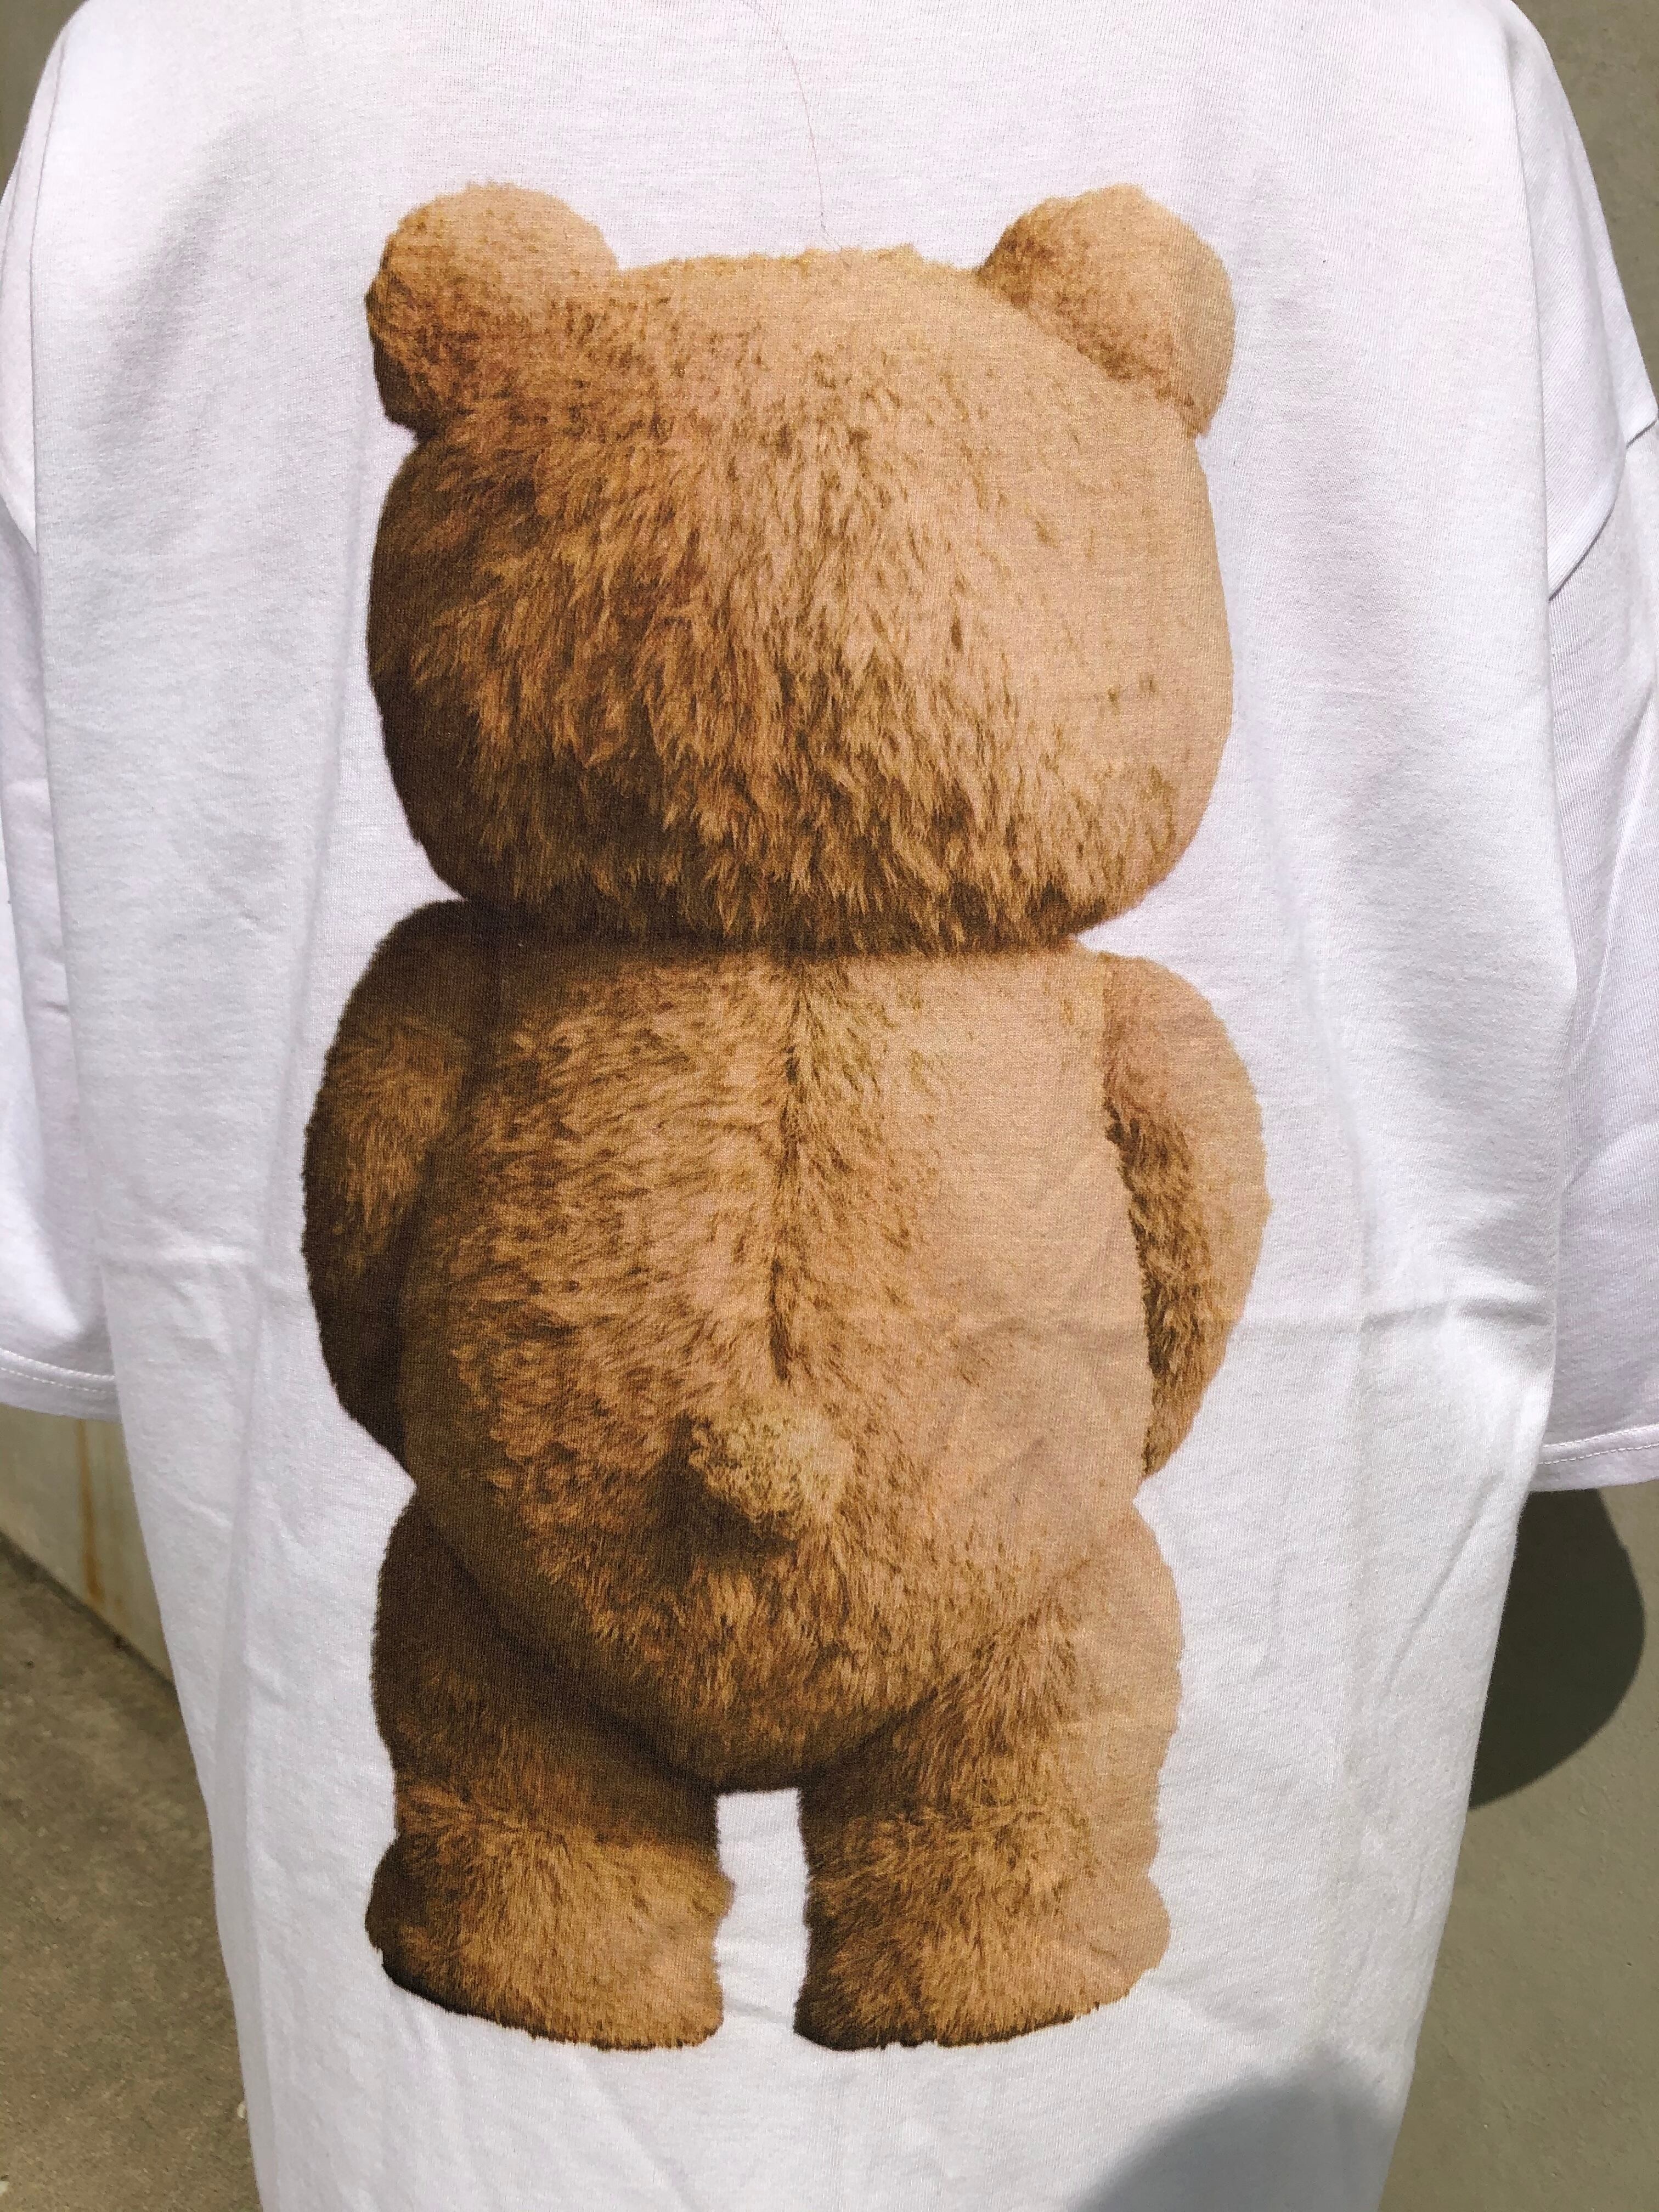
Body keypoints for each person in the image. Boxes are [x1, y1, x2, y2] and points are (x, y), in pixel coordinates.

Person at [2, 3, 1655, 2207]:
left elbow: (306, 1265)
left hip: (994, 1668)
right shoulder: (1397, 66)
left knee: (1021, 1736)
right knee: (523, 1770)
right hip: (563, 1648)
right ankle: (584, 1882)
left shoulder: (193, 61)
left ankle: (969, 1887)